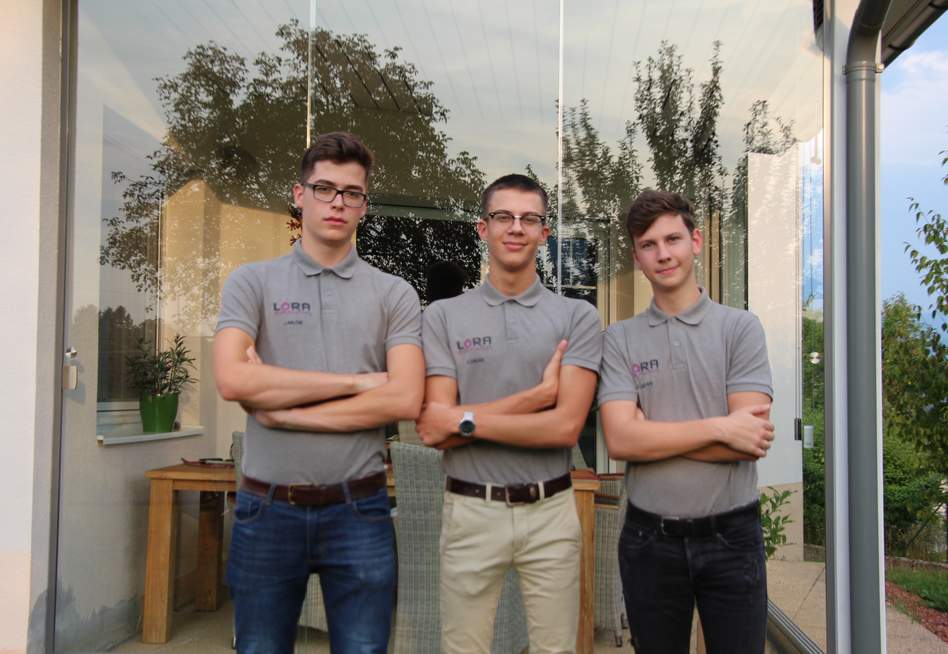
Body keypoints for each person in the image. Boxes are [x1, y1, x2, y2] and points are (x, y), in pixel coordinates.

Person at [213, 132, 425, 654]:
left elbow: (403, 400)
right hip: (267, 508)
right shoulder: (252, 282)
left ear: (364, 206)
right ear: (299, 194)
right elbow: (233, 380)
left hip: (360, 510)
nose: (337, 202)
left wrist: (283, 410)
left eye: (351, 193)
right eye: (324, 188)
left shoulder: (394, 293)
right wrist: (356, 382)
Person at [417, 173, 602, 653]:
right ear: (484, 228)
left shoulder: (577, 317)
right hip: (471, 511)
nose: (516, 227)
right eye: (503, 216)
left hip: (551, 512)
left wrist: (465, 420)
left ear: (544, 232)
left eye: (529, 219)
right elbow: (434, 430)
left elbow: (565, 428)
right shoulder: (443, 317)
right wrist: (535, 399)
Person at [598, 190, 775, 653]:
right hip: (649, 541)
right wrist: (721, 427)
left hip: (731, 538)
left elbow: (750, 440)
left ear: (695, 242)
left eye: (672, 239)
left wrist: (649, 435)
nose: (663, 254)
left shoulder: (740, 328)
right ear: (637, 258)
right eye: (648, 245)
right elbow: (619, 440)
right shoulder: (619, 339)